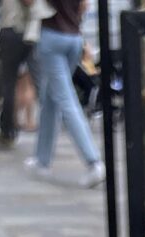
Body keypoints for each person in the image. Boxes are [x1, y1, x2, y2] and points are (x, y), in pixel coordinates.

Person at [25, 0, 105, 187]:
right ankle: (42, 160)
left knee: (65, 99)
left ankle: (93, 162)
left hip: (51, 35)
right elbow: (84, 5)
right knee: (50, 97)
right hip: (74, 37)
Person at [0, 0, 33, 147]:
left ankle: (8, 129)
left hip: (13, 28)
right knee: (24, 81)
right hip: (25, 29)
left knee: (10, 83)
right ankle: (14, 123)